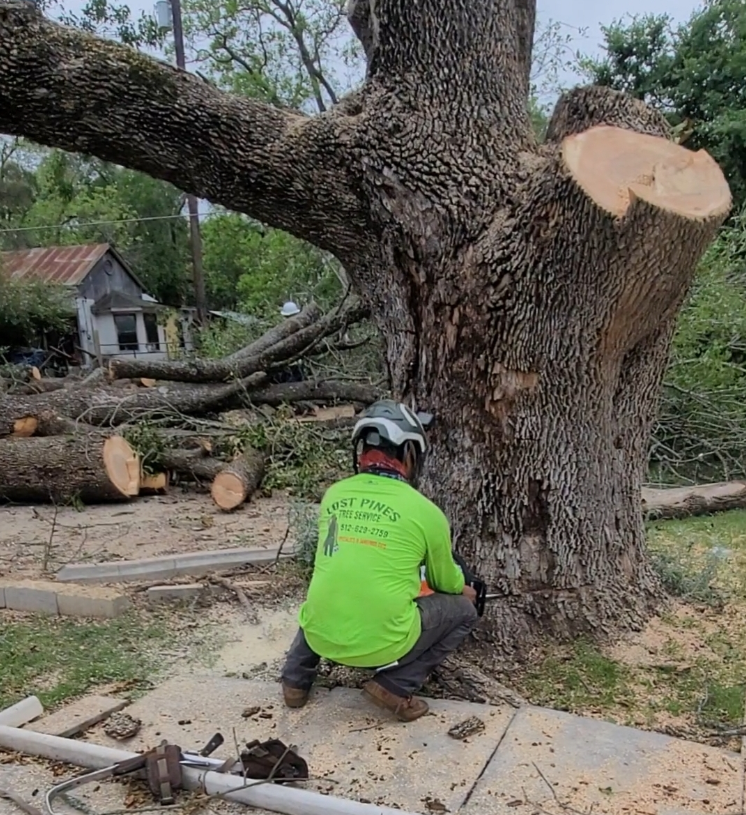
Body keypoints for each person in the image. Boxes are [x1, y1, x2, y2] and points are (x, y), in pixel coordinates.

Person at [280, 400, 479, 722]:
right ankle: (394, 686)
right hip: (384, 645)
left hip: (320, 633)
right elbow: (445, 582)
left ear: (360, 452)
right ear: (411, 455)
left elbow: (338, 557)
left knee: (332, 589)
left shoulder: (335, 494)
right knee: (465, 612)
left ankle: (294, 681)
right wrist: (463, 589)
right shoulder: (425, 512)